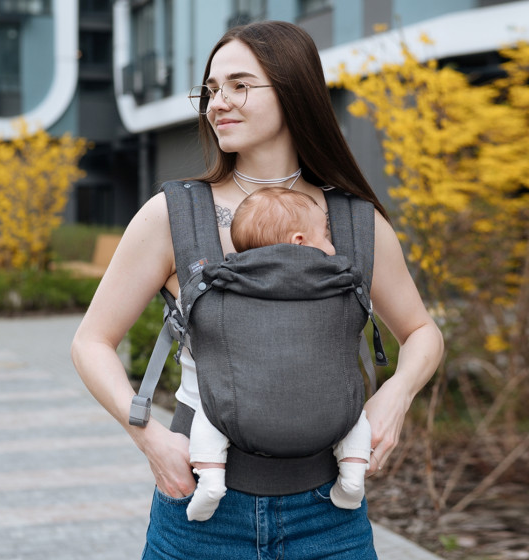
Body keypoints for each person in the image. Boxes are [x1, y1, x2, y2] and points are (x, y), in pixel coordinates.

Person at [71, 20, 444, 559]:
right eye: (211, 90)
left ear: (294, 90)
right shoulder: (173, 215)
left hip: (329, 515)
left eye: (239, 86)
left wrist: (397, 396)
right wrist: (148, 436)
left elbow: (421, 331)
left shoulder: (354, 221)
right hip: (200, 510)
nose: (218, 102)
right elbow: (91, 341)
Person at [187, 187, 372, 522]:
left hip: (239, 414)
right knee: (355, 415)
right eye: (326, 236)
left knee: (208, 411)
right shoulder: (336, 279)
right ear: (299, 240)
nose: (331, 246)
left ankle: (211, 480)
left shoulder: (229, 279)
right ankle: (353, 476)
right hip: (326, 416)